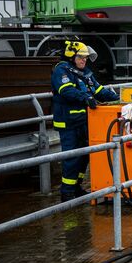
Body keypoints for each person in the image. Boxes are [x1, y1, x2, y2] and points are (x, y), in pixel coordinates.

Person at [52, 41, 119, 202]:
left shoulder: (85, 73)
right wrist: (86, 98)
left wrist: (119, 98)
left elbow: (98, 90)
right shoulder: (61, 70)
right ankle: (66, 192)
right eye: (81, 57)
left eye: (86, 58)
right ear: (72, 56)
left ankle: (76, 186)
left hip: (83, 121)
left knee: (84, 156)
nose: (84, 61)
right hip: (68, 123)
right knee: (72, 157)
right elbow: (66, 90)